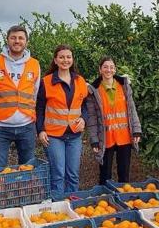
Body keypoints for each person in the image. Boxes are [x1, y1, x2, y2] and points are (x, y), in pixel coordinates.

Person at [0, 25, 41, 169]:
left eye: (21, 38)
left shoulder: (34, 64)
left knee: (27, 169)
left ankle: (23, 193)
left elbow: (35, 93)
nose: (17, 41)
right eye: (13, 38)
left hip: (27, 126)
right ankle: (0, 193)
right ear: (7, 40)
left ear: (26, 41)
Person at [36, 45, 88, 195]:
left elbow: (85, 105)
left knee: (73, 174)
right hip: (53, 135)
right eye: (61, 57)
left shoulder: (80, 81)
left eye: (68, 57)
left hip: (74, 135)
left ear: (72, 59)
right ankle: (57, 207)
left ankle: (72, 205)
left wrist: (83, 119)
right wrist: (40, 130)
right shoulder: (46, 82)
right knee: (58, 174)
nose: (65, 60)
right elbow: (39, 109)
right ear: (55, 60)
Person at [86, 57, 142, 185]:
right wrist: (94, 140)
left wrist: (136, 131)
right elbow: (92, 118)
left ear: (115, 69)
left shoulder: (124, 86)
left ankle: (123, 200)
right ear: (100, 70)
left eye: (111, 67)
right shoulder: (94, 91)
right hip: (106, 138)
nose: (108, 70)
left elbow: (131, 110)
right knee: (105, 175)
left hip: (124, 136)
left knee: (124, 173)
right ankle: (106, 200)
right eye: (105, 67)